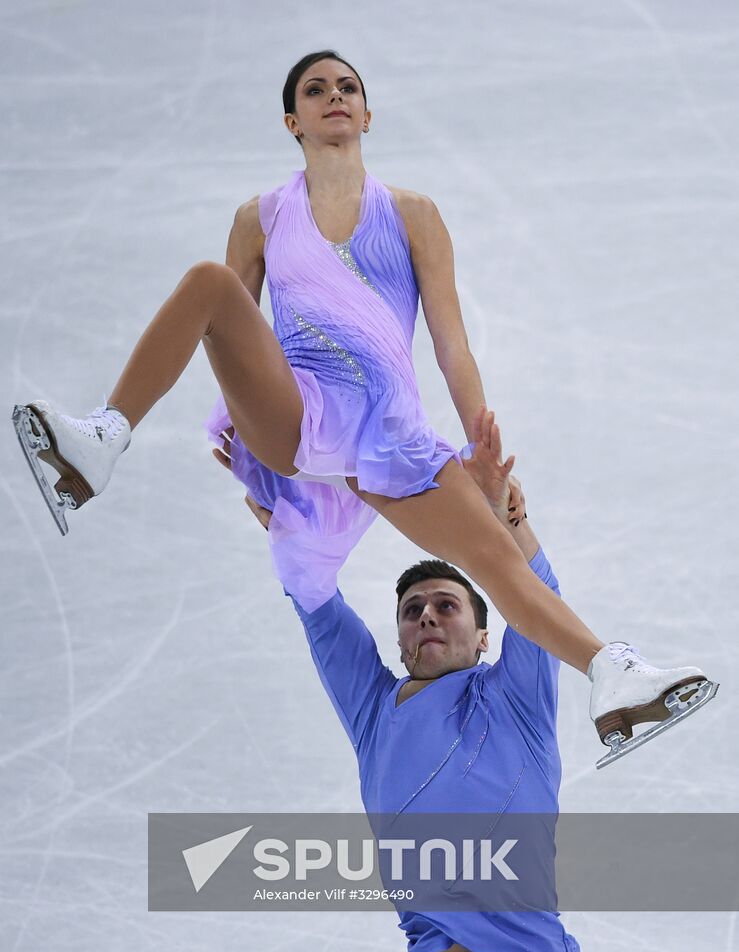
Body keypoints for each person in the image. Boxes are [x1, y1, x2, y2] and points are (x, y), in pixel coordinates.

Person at [11, 50, 717, 766]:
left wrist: (479, 442)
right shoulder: (259, 220)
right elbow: (232, 339)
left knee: (498, 561)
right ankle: (103, 439)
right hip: (301, 412)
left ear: (367, 113)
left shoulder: (413, 215)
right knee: (209, 285)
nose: (334, 96)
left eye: (347, 87)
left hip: (389, 430)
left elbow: (450, 342)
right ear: (292, 121)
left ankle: (610, 674)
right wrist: (255, 460)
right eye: (315, 90)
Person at [213, 410, 604, 952]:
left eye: (447, 605)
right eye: (412, 609)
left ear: (484, 637)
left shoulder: (514, 697)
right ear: (399, 637)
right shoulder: (374, 713)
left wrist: (506, 516)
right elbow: (316, 605)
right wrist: (291, 534)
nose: (426, 615)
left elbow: (538, 593)